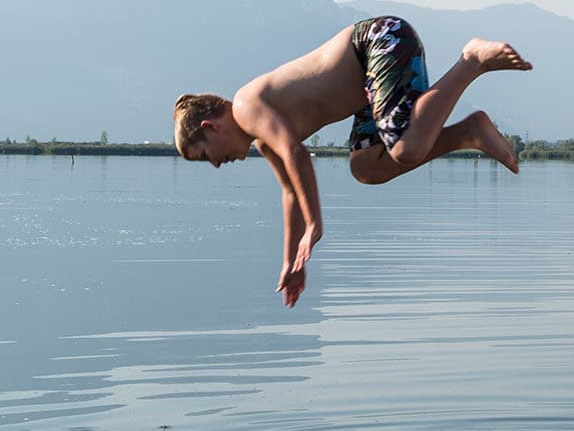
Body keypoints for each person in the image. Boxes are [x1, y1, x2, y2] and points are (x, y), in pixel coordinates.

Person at [173, 16, 532, 306]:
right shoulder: (263, 139)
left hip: (376, 44)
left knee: (405, 150)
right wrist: (290, 263)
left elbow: (297, 154)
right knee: (367, 168)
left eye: (206, 156)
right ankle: (468, 133)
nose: (216, 164)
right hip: (367, 85)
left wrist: (314, 226)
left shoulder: (245, 106)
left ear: (211, 126)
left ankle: (471, 61)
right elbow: (290, 194)